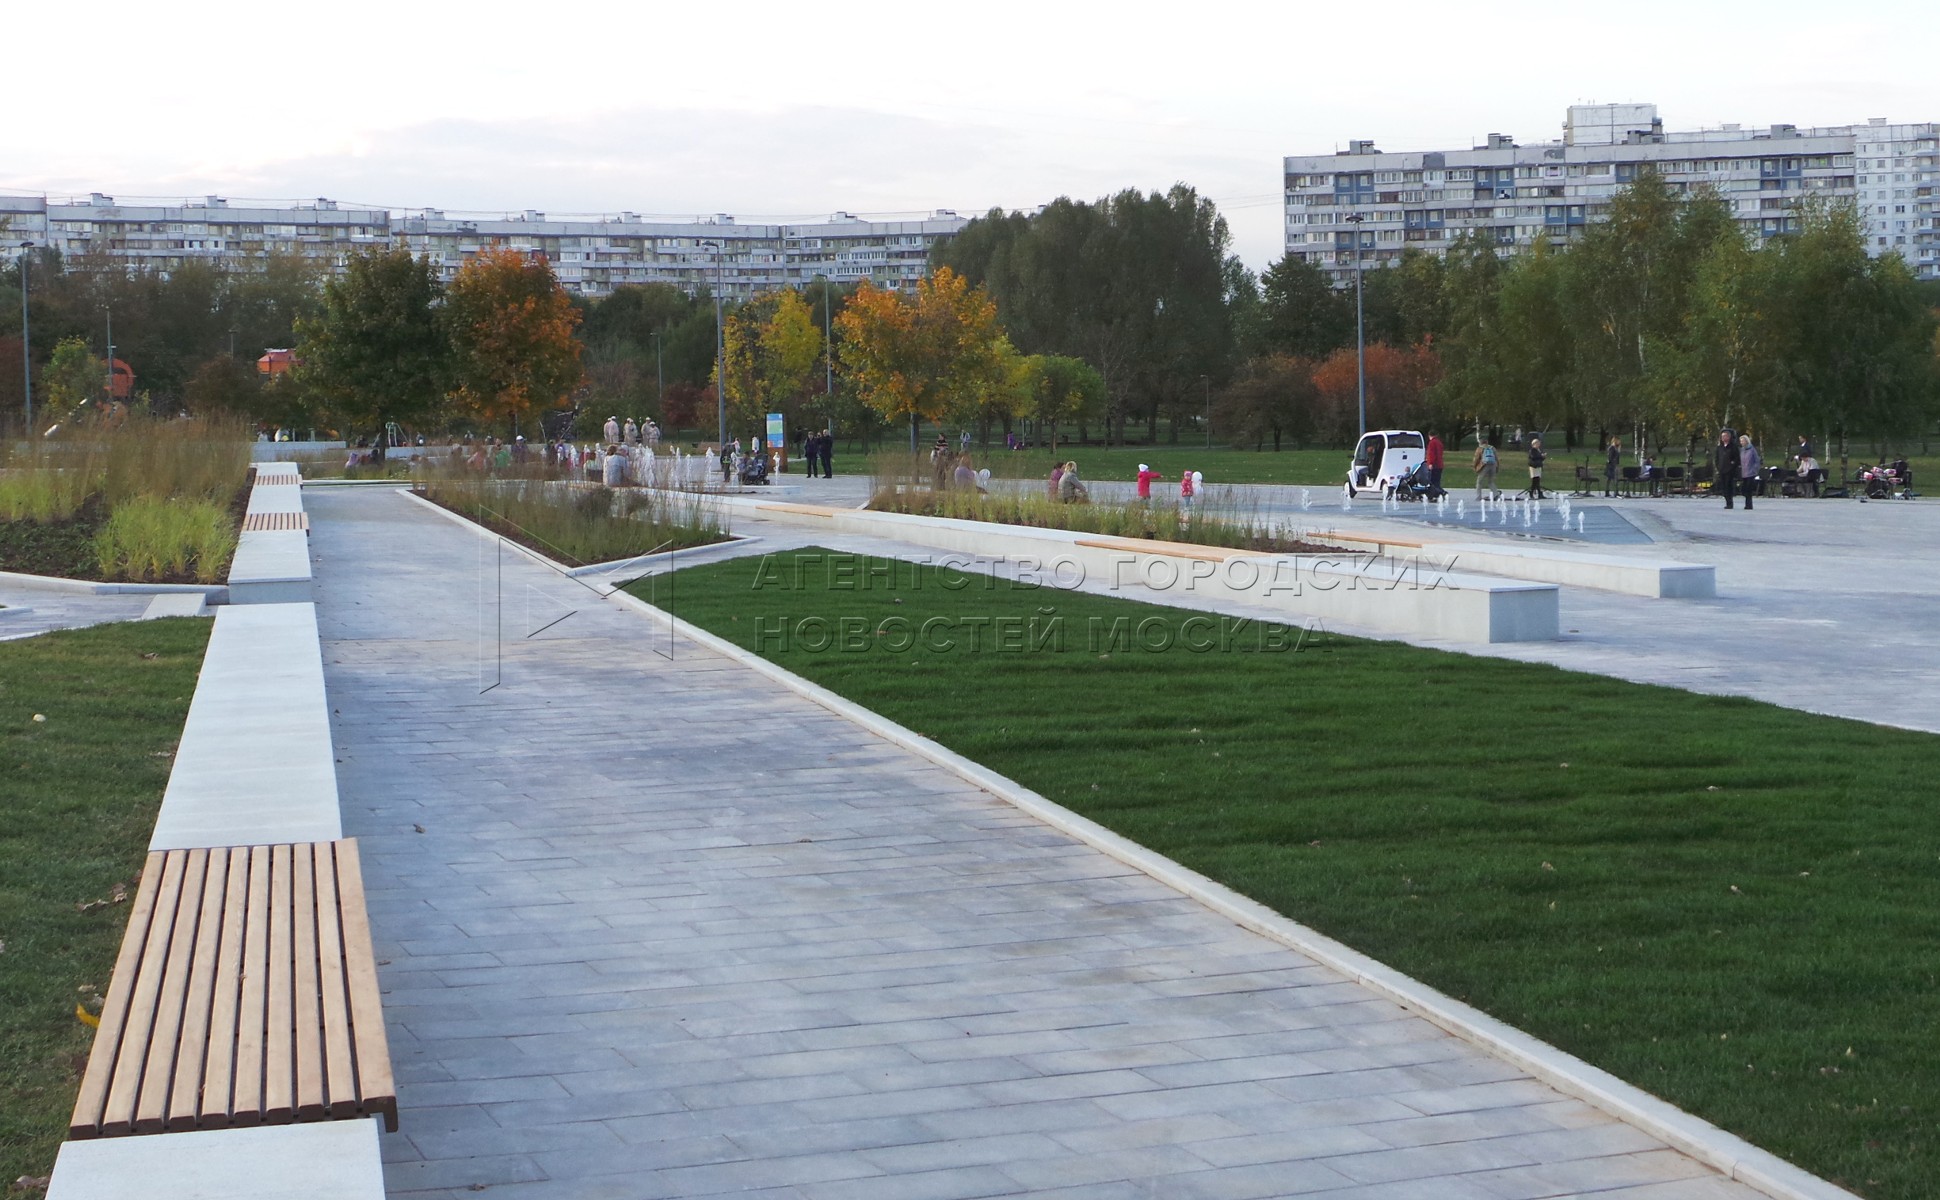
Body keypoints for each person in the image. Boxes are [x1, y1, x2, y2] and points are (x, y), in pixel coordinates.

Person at [1714, 427, 1741, 509]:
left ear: (1729, 437)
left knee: (1729, 486)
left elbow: (1737, 459)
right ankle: (1726, 501)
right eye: (1722, 436)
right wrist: (1718, 467)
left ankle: (1730, 502)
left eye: (1725, 436)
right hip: (1722, 470)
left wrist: (1732, 465)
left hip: (1730, 471)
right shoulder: (1720, 447)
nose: (1723, 438)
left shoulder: (1733, 447)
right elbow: (1717, 459)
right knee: (1723, 487)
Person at [1738, 434, 1761, 510]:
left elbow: (1757, 460)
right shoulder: (1742, 450)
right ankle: (1747, 504)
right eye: (1740, 441)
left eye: (1743, 441)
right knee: (1744, 489)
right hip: (1744, 472)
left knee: (1748, 489)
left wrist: (1754, 469)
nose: (1741, 442)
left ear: (1746, 441)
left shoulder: (1752, 450)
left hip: (1751, 472)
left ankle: (1749, 505)